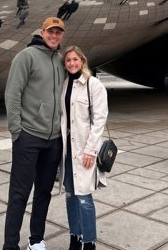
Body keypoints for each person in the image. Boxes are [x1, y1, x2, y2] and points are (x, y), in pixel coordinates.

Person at [3, 17, 66, 250]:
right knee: (19, 194)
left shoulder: (60, 60)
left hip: (54, 140)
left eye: (58, 33)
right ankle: (10, 245)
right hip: (28, 137)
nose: (54, 36)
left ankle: (36, 240)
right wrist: (16, 132)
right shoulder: (25, 57)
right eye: (51, 32)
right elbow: (12, 95)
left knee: (44, 193)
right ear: (42, 32)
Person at [60, 46, 108, 250]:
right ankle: (74, 236)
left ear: (82, 61)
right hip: (67, 150)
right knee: (70, 195)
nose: (71, 63)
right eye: (68, 60)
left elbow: (100, 119)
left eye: (75, 60)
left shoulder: (93, 84)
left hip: (84, 149)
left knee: (84, 198)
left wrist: (91, 150)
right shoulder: (63, 85)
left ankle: (89, 242)